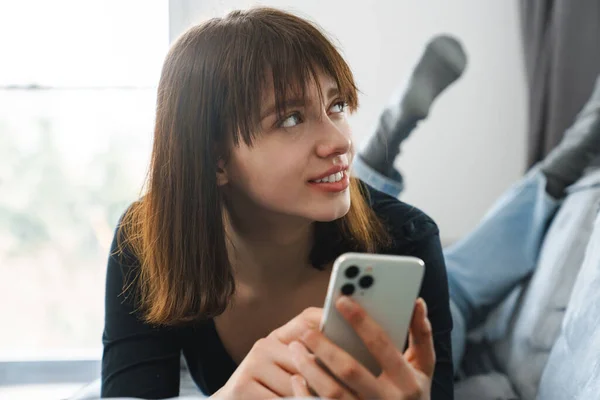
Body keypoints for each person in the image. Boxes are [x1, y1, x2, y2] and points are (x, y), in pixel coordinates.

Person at [101, 7, 454, 400]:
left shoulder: (409, 238)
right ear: (216, 159)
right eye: (290, 119)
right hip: (338, 198)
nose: (340, 141)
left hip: (376, 229)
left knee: (470, 286)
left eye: (336, 106)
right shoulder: (149, 240)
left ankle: (536, 183)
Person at [355, 44, 600, 369]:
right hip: (407, 329)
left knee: (453, 285)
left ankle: (570, 157)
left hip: (386, 341)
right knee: (446, 278)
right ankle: (378, 153)